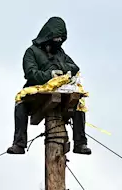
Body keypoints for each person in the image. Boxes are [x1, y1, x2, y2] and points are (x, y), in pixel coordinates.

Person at [8, 17, 91, 156]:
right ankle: (19, 144)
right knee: (20, 100)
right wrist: (50, 74)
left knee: (79, 101)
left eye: (60, 40)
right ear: (48, 36)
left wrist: (61, 70)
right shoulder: (32, 52)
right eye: (55, 39)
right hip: (37, 91)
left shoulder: (60, 54)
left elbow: (75, 67)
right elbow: (30, 73)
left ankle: (80, 143)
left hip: (61, 90)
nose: (57, 42)